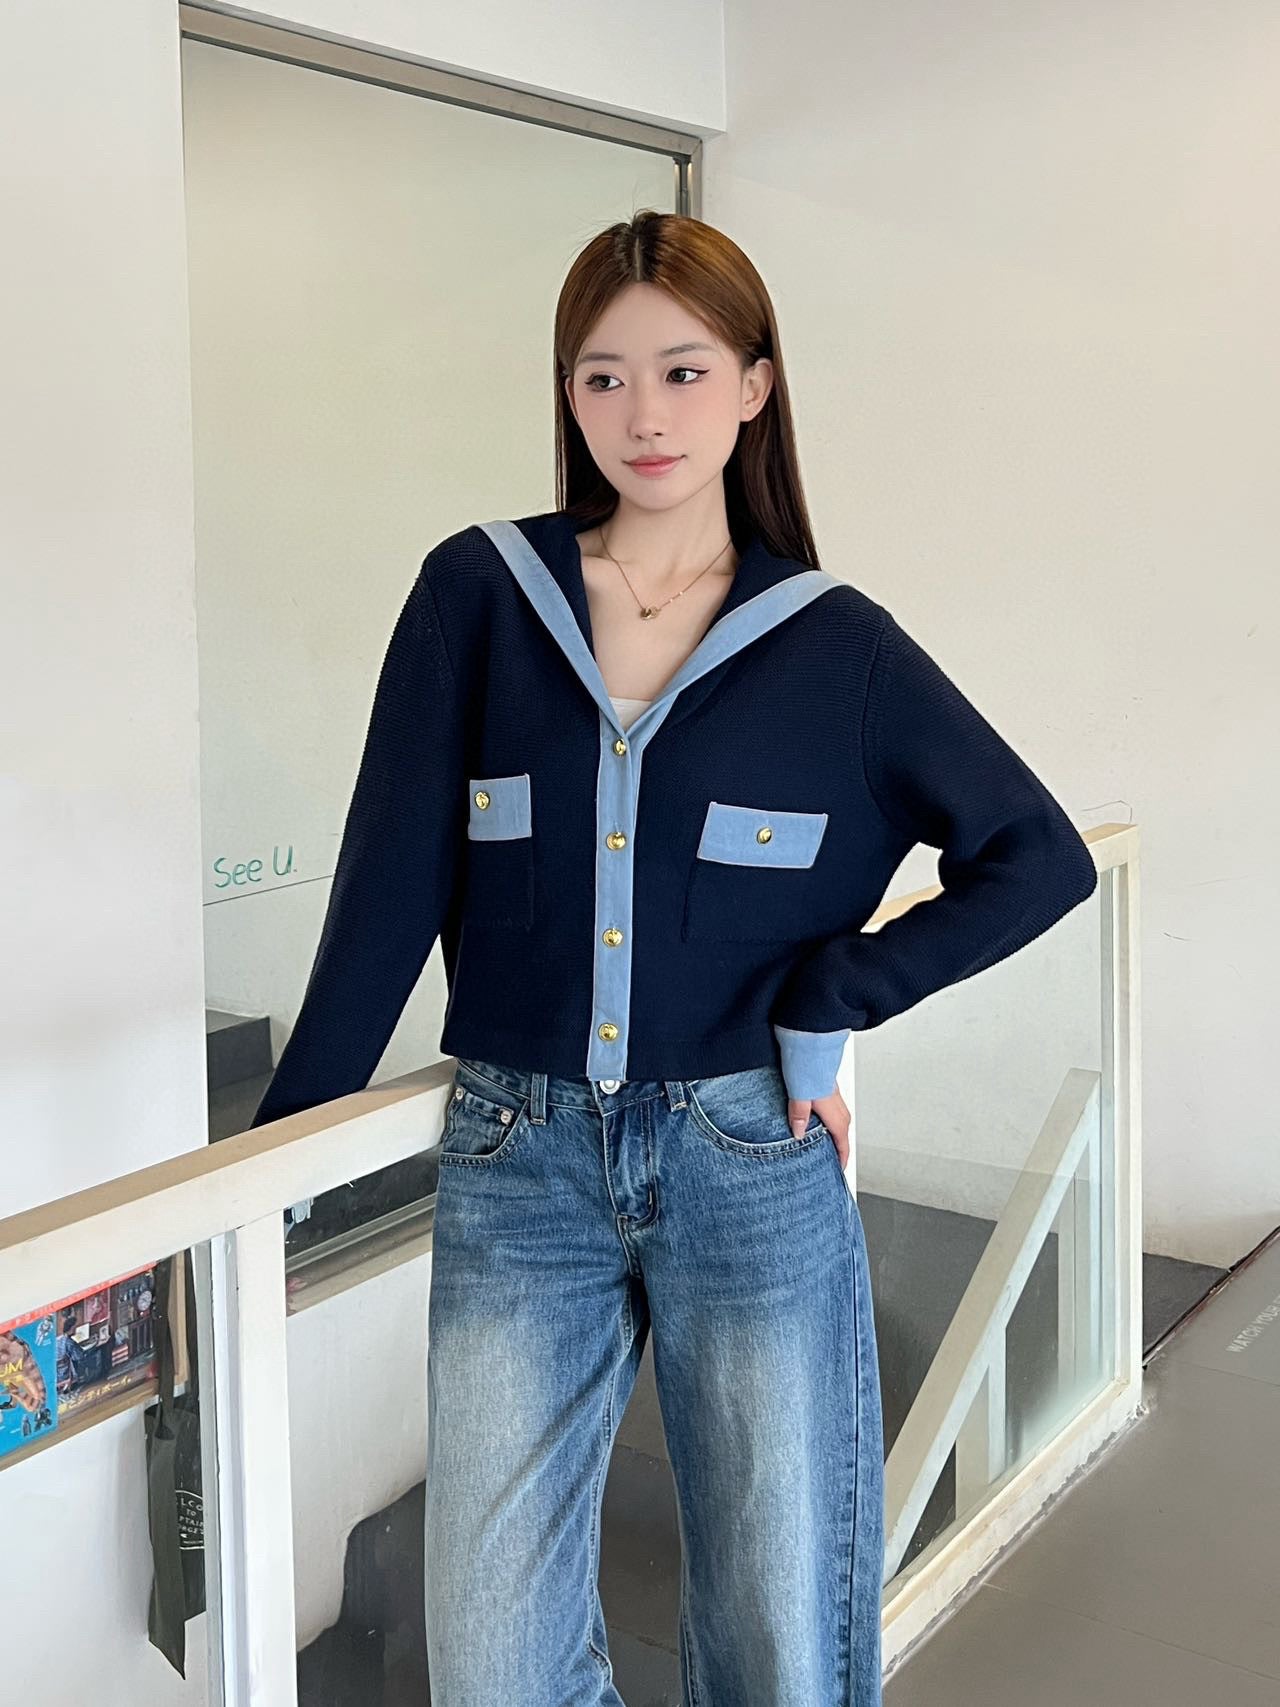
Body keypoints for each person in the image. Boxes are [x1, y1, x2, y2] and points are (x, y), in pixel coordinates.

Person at [249, 210, 1097, 1704]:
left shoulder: (836, 646)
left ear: (757, 387)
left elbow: (1039, 856)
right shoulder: (480, 597)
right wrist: (271, 1175)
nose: (645, 414)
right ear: (568, 397)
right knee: (493, 1663)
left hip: (749, 1159)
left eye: (685, 372)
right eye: (604, 377)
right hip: (517, 1162)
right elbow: (387, 894)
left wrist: (835, 996)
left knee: (780, 1638)